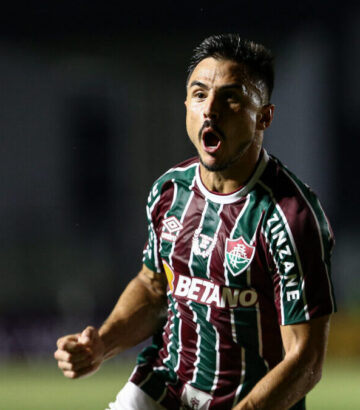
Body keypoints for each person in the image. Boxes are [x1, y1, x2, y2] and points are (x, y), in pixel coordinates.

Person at [54, 33, 336, 410]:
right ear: (186, 103)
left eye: (231, 97)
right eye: (200, 94)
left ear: (263, 117)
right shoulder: (169, 191)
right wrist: (102, 343)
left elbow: (306, 360)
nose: (211, 110)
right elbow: (154, 287)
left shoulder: (290, 216)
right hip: (164, 385)